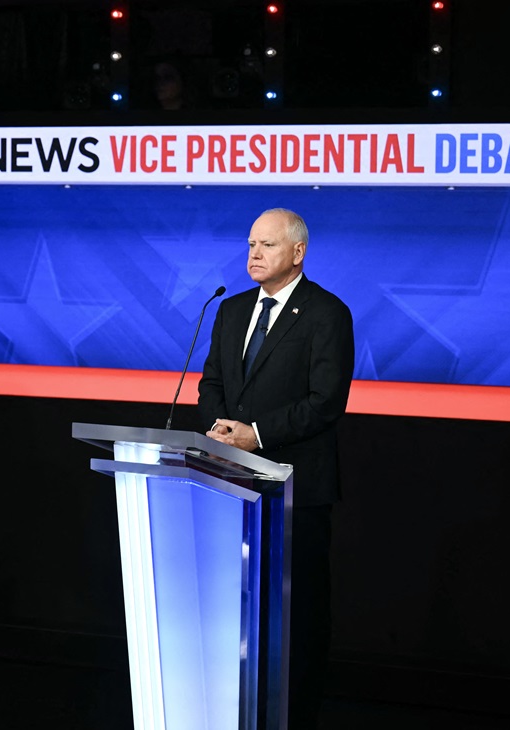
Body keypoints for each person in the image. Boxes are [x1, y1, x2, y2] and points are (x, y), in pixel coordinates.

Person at [196, 207, 354, 729]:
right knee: (238, 612)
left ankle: (297, 715)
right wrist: (221, 429)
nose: (254, 255)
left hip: (296, 490)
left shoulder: (326, 313)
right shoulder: (231, 310)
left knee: (297, 618)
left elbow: (326, 401)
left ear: (297, 253)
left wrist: (257, 435)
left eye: (266, 245)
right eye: (249, 246)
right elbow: (211, 383)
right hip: (230, 483)